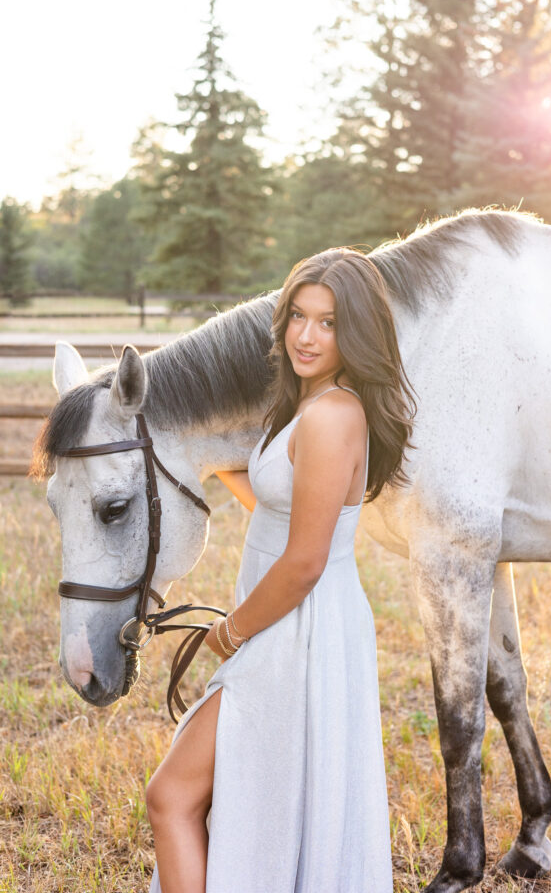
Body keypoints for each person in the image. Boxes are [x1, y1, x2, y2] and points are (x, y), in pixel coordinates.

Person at [146, 247, 417, 893]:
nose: (306, 335)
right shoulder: (313, 404)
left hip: (294, 631)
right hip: (289, 624)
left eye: (328, 322)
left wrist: (231, 633)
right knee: (255, 802)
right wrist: (217, 467)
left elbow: (303, 560)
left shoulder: (329, 417)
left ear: (356, 333)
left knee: (171, 796)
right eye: (298, 315)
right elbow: (288, 507)